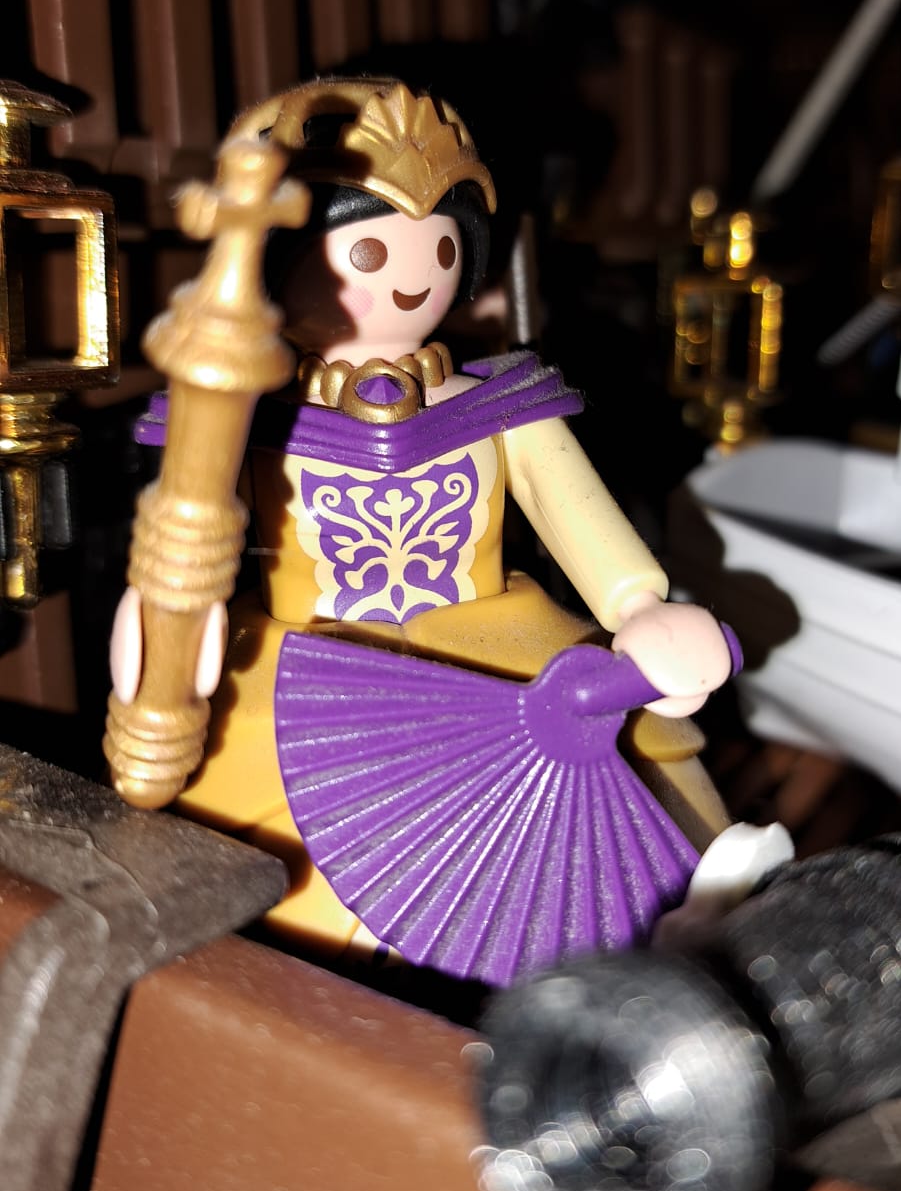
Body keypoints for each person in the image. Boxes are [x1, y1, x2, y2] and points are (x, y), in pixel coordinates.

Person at [118, 77, 733, 973]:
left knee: (626, 825)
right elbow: (187, 536)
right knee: (294, 886)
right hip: (316, 682)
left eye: (440, 247)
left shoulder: (503, 406)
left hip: (503, 656)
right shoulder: (245, 420)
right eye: (368, 251)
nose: (411, 278)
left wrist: (638, 606)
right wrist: (160, 622)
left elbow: (573, 512)